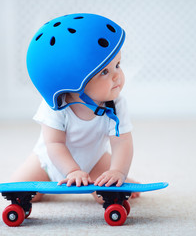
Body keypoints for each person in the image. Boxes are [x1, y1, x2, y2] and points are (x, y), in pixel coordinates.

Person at [11, 13, 139, 203]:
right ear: (72, 83)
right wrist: (72, 171)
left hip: (94, 161)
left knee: (108, 197)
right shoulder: (56, 107)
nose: (117, 76)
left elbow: (121, 142)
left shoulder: (116, 104)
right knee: (21, 192)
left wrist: (117, 171)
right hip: (47, 164)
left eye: (117, 65)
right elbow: (55, 144)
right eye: (104, 71)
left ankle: (117, 179)